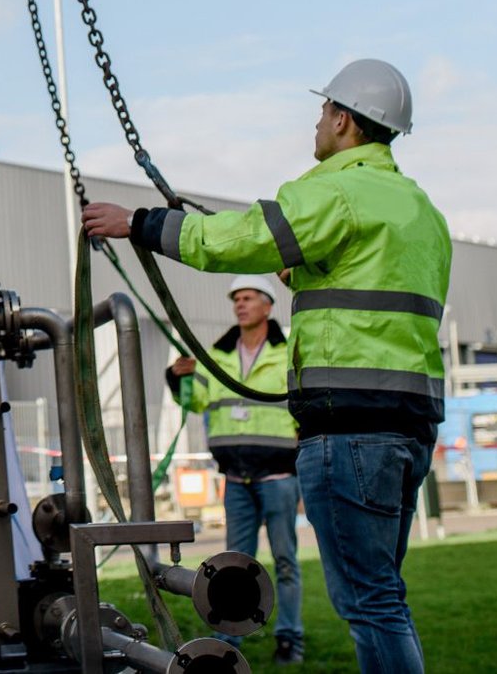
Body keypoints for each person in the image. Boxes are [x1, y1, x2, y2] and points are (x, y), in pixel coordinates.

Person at [85, 59, 449, 674]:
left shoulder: (335, 189)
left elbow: (239, 239)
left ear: (342, 119)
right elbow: (371, 294)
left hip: (348, 431)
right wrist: (305, 271)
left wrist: (138, 224)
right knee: (384, 595)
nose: (315, 125)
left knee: (369, 603)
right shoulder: (420, 211)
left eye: (321, 113)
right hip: (408, 430)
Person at [168, 275, 304, 665]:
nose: (240, 305)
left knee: (285, 561)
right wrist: (179, 380)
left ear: (267, 305)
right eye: (236, 299)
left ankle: (290, 638)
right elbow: (198, 403)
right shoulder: (218, 355)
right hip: (237, 477)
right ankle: (229, 640)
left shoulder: (289, 350)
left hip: (278, 475)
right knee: (232, 566)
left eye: (248, 298)